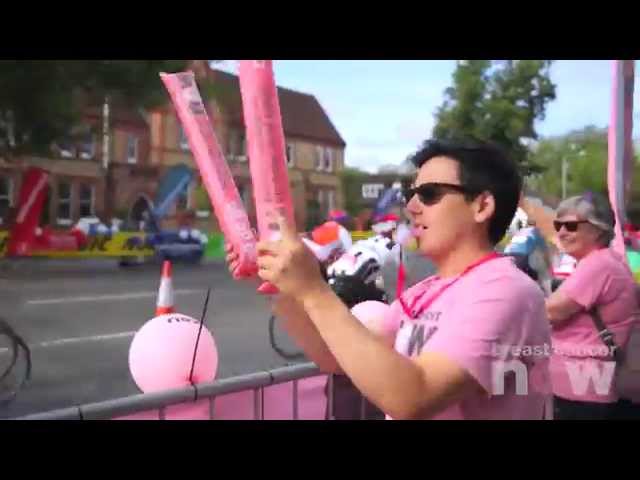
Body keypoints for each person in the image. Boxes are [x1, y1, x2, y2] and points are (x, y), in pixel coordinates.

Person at [227, 139, 551, 420]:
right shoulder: (425, 292)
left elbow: (413, 397)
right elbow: (334, 357)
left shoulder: (505, 291)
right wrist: (282, 285)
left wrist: (313, 290)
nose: (411, 207)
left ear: (482, 205)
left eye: (429, 194)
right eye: (412, 194)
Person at [545, 192, 639, 419]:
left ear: (598, 229)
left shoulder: (597, 266)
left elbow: (548, 312)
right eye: (558, 225)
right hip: (589, 386)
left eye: (571, 226)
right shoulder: (607, 261)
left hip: (581, 391)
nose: (562, 232)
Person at [503, 216, 553, 295]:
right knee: (538, 274)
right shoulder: (535, 231)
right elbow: (545, 252)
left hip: (506, 257)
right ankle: (546, 296)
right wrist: (549, 266)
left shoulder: (519, 232)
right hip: (521, 257)